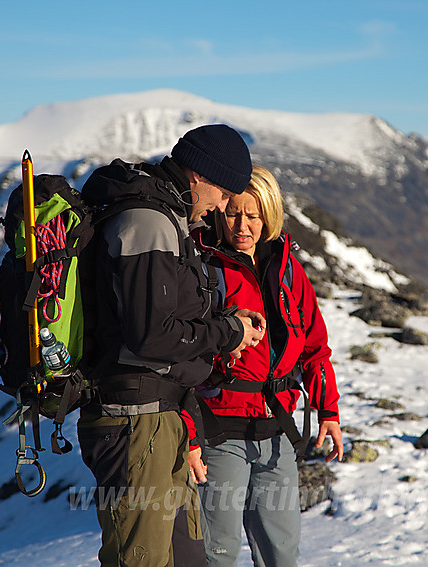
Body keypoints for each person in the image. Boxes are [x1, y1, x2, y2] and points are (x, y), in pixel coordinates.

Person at [76, 124, 266, 567]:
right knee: (142, 559)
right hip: (135, 422)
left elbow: (163, 318)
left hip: (161, 418)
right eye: (222, 193)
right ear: (198, 174)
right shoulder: (148, 221)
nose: (223, 207)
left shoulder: (169, 216)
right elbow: (152, 336)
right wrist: (230, 334)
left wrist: (223, 325)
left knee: (186, 559)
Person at [192, 165, 343, 567]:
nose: (242, 225)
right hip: (218, 431)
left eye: (253, 215)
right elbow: (179, 358)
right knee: (216, 553)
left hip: (276, 432)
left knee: (281, 554)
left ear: (269, 215)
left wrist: (328, 410)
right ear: (219, 211)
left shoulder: (287, 267)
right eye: (233, 213)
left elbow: (314, 347)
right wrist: (191, 437)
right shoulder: (200, 264)